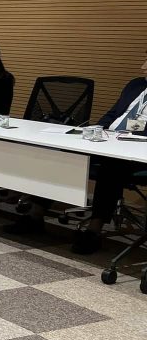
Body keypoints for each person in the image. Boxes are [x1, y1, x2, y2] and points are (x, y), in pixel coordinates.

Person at [13, 53, 147, 250]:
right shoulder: (136, 85)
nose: (143, 67)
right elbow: (113, 113)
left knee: (111, 165)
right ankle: (36, 213)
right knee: (64, 153)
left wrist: (128, 136)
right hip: (109, 139)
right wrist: (97, 129)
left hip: (137, 151)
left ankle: (94, 229)